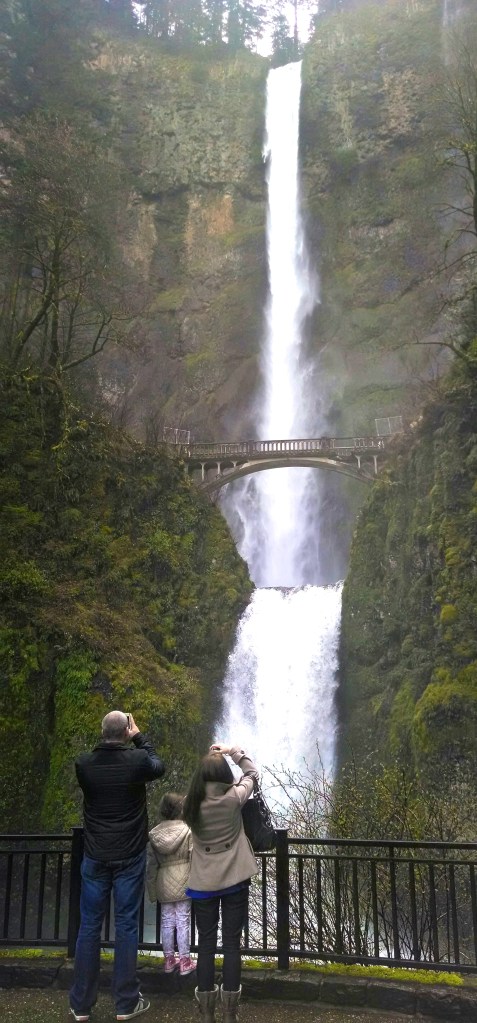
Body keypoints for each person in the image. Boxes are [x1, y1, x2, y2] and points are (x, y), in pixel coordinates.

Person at [69, 710, 165, 1023]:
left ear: (101, 731)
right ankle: (125, 1003)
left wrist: (126, 735)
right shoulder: (137, 760)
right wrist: (139, 736)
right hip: (130, 854)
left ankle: (81, 1005)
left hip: (95, 855)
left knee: (89, 926)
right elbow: (158, 766)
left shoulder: (84, 765)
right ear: (125, 732)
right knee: (126, 925)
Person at [182, 742, 259, 1023]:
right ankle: (230, 1014)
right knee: (231, 944)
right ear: (225, 776)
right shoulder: (233, 797)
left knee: (205, 945)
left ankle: (206, 1014)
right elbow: (252, 773)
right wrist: (233, 752)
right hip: (234, 880)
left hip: (203, 883)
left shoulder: (190, 805)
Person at [146, 792, 195, 976]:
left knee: (167, 921)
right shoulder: (188, 831)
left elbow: (151, 867)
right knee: (183, 920)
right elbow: (194, 858)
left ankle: (168, 960)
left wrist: (152, 891)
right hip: (185, 880)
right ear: (180, 810)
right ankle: (185, 961)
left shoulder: (154, 835)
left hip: (163, 882)